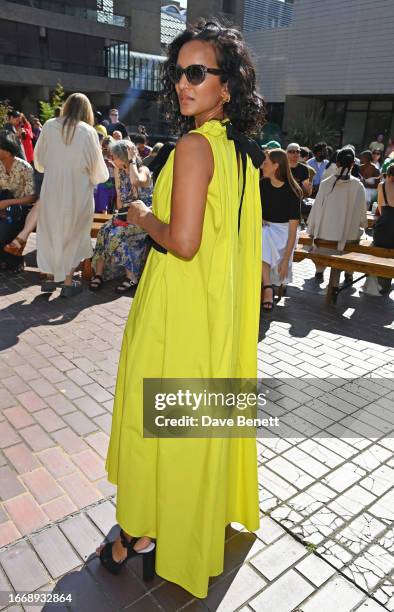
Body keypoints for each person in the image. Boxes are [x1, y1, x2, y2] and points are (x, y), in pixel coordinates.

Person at [96, 18, 265, 599]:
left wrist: (143, 215)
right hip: (212, 316)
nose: (183, 84)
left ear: (227, 85)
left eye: (198, 73)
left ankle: (135, 536)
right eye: (178, 74)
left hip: (175, 309)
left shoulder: (194, 146)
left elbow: (185, 242)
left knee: (154, 428)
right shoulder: (243, 153)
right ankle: (164, 533)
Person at [33, 93, 109, 296]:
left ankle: (48, 276)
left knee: (51, 230)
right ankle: (67, 282)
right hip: (79, 190)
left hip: (52, 188)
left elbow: (38, 161)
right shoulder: (88, 131)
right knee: (75, 233)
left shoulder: (48, 126)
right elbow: (100, 172)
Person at [90, 140, 152, 291]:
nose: (112, 159)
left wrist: (131, 161)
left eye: (115, 156)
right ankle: (99, 274)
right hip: (126, 215)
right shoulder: (119, 171)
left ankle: (132, 278)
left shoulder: (142, 169)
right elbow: (120, 199)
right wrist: (119, 216)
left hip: (144, 218)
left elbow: (136, 181)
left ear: (123, 156)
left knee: (117, 234)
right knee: (105, 230)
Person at [307, 146, 367, 282]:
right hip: (346, 242)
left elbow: (315, 212)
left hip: (323, 242)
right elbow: (362, 217)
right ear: (353, 164)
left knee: (318, 237)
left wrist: (312, 230)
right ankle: (348, 272)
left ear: (337, 163)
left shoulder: (325, 183)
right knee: (358, 236)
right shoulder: (358, 186)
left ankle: (319, 270)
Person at [260, 148, 302, 310]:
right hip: (265, 229)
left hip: (285, 233)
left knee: (262, 236)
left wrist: (285, 260)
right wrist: (259, 217)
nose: (263, 166)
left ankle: (267, 288)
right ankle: (268, 286)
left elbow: (293, 230)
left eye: (266, 163)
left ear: (276, 165)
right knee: (262, 234)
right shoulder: (261, 185)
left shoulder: (293, 191)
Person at [0, 132, 36, 271]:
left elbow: (32, 197)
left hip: (21, 209)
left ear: (8, 151)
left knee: (5, 226)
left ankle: (11, 258)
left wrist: (8, 203)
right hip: (3, 206)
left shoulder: (24, 168)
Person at [372, 164, 394, 293]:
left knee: (379, 251)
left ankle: (379, 282)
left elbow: (380, 208)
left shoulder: (382, 185)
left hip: (383, 226)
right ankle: (386, 283)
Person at [94, 136, 116, 213]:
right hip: (105, 180)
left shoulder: (117, 156)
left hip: (114, 182)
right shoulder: (101, 156)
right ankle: (103, 211)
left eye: (110, 149)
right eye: (106, 149)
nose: (109, 151)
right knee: (100, 187)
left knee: (102, 188)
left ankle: (104, 212)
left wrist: (113, 166)